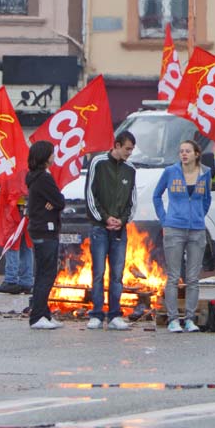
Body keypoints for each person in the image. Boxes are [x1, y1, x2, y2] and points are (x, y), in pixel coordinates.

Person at [153, 139, 211, 334]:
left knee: (193, 277)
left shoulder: (205, 173)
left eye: (187, 151)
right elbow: (157, 195)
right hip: (174, 228)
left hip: (197, 229)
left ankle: (190, 319)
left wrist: (199, 216)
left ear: (196, 154)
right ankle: (172, 319)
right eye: (181, 151)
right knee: (173, 276)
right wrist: (164, 218)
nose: (184, 154)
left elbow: (206, 199)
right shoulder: (171, 172)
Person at [85, 131, 137, 331]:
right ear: (116, 145)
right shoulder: (98, 162)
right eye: (127, 149)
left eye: (131, 149)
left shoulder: (130, 169)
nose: (129, 153)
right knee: (98, 272)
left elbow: (132, 200)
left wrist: (122, 221)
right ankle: (96, 314)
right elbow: (91, 194)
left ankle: (115, 314)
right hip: (100, 228)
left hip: (119, 230)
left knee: (117, 274)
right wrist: (105, 218)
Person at [26, 141, 66, 330]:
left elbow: (54, 201)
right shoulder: (43, 178)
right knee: (46, 274)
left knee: (43, 272)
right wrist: (54, 202)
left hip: (40, 228)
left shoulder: (36, 177)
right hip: (45, 229)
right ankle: (37, 316)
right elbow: (59, 200)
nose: (54, 155)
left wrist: (53, 202)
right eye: (52, 153)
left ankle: (44, 313)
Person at [0, 172, 33, 296]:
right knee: (25, 244)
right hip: (26, 206)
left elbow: (0, 183)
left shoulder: (13, 163)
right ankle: (26, 280)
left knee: (12, 242)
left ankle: (11, 279)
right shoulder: (28, 162)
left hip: (14, 206)